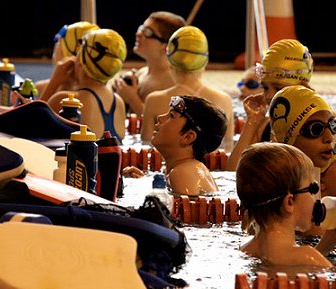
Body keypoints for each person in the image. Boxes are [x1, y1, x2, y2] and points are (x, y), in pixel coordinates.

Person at [236, 142, 336, 267]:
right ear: (289, 202)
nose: (316, 197)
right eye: (313, 189)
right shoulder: (307, 256)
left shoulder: (246, 249)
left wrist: (327, 243)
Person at [141, 25, 234, 152]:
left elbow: (146, 149)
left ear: (169, 60)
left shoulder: (154, 100)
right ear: (205, 61)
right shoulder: (224, 100)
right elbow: (228, 149)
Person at [225, 39, 314, 170]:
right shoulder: (263, 126)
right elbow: (232, 173)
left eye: (279, 89)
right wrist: (252, 122)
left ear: (304, 88)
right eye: (265, 88)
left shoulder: (320, 126)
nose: (269, 96)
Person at [125, 95, 227, 197]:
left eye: (171, 116)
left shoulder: (182, 173)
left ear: (187, 137)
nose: (160, 118)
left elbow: (181, 212)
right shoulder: (187, 169)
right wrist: (145, 183)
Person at [43, 28, 127, 141]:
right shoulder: (118, 102)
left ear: (80, 61)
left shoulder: (67, 101)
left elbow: (29, 129)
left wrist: (54, 82)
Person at [112, 11, 186, 115]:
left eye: (147, 32)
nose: (138, 34)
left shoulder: (172, 82)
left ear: (166, 46)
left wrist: (133, 99)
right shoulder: (141, 74)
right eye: (141, 29)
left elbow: (165, 124)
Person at [36, 21, 100, 97]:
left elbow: (38, 109)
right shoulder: (105, 90)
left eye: (57, 41)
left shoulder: (42, 89)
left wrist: (53, 83)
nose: (55, 45)